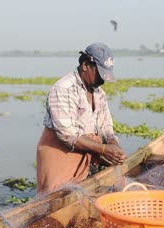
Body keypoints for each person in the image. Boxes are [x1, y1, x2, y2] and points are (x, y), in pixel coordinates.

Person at [37, 43, 127, 194]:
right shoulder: (63, 89)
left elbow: (106, 127)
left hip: (86, 154)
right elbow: (68, 135)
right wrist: (104, 149)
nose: (102, 80)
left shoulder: (99, 93)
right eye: (99, 73)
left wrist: (113, 145)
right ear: (85, 65)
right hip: (60, 155)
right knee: (55, 201)